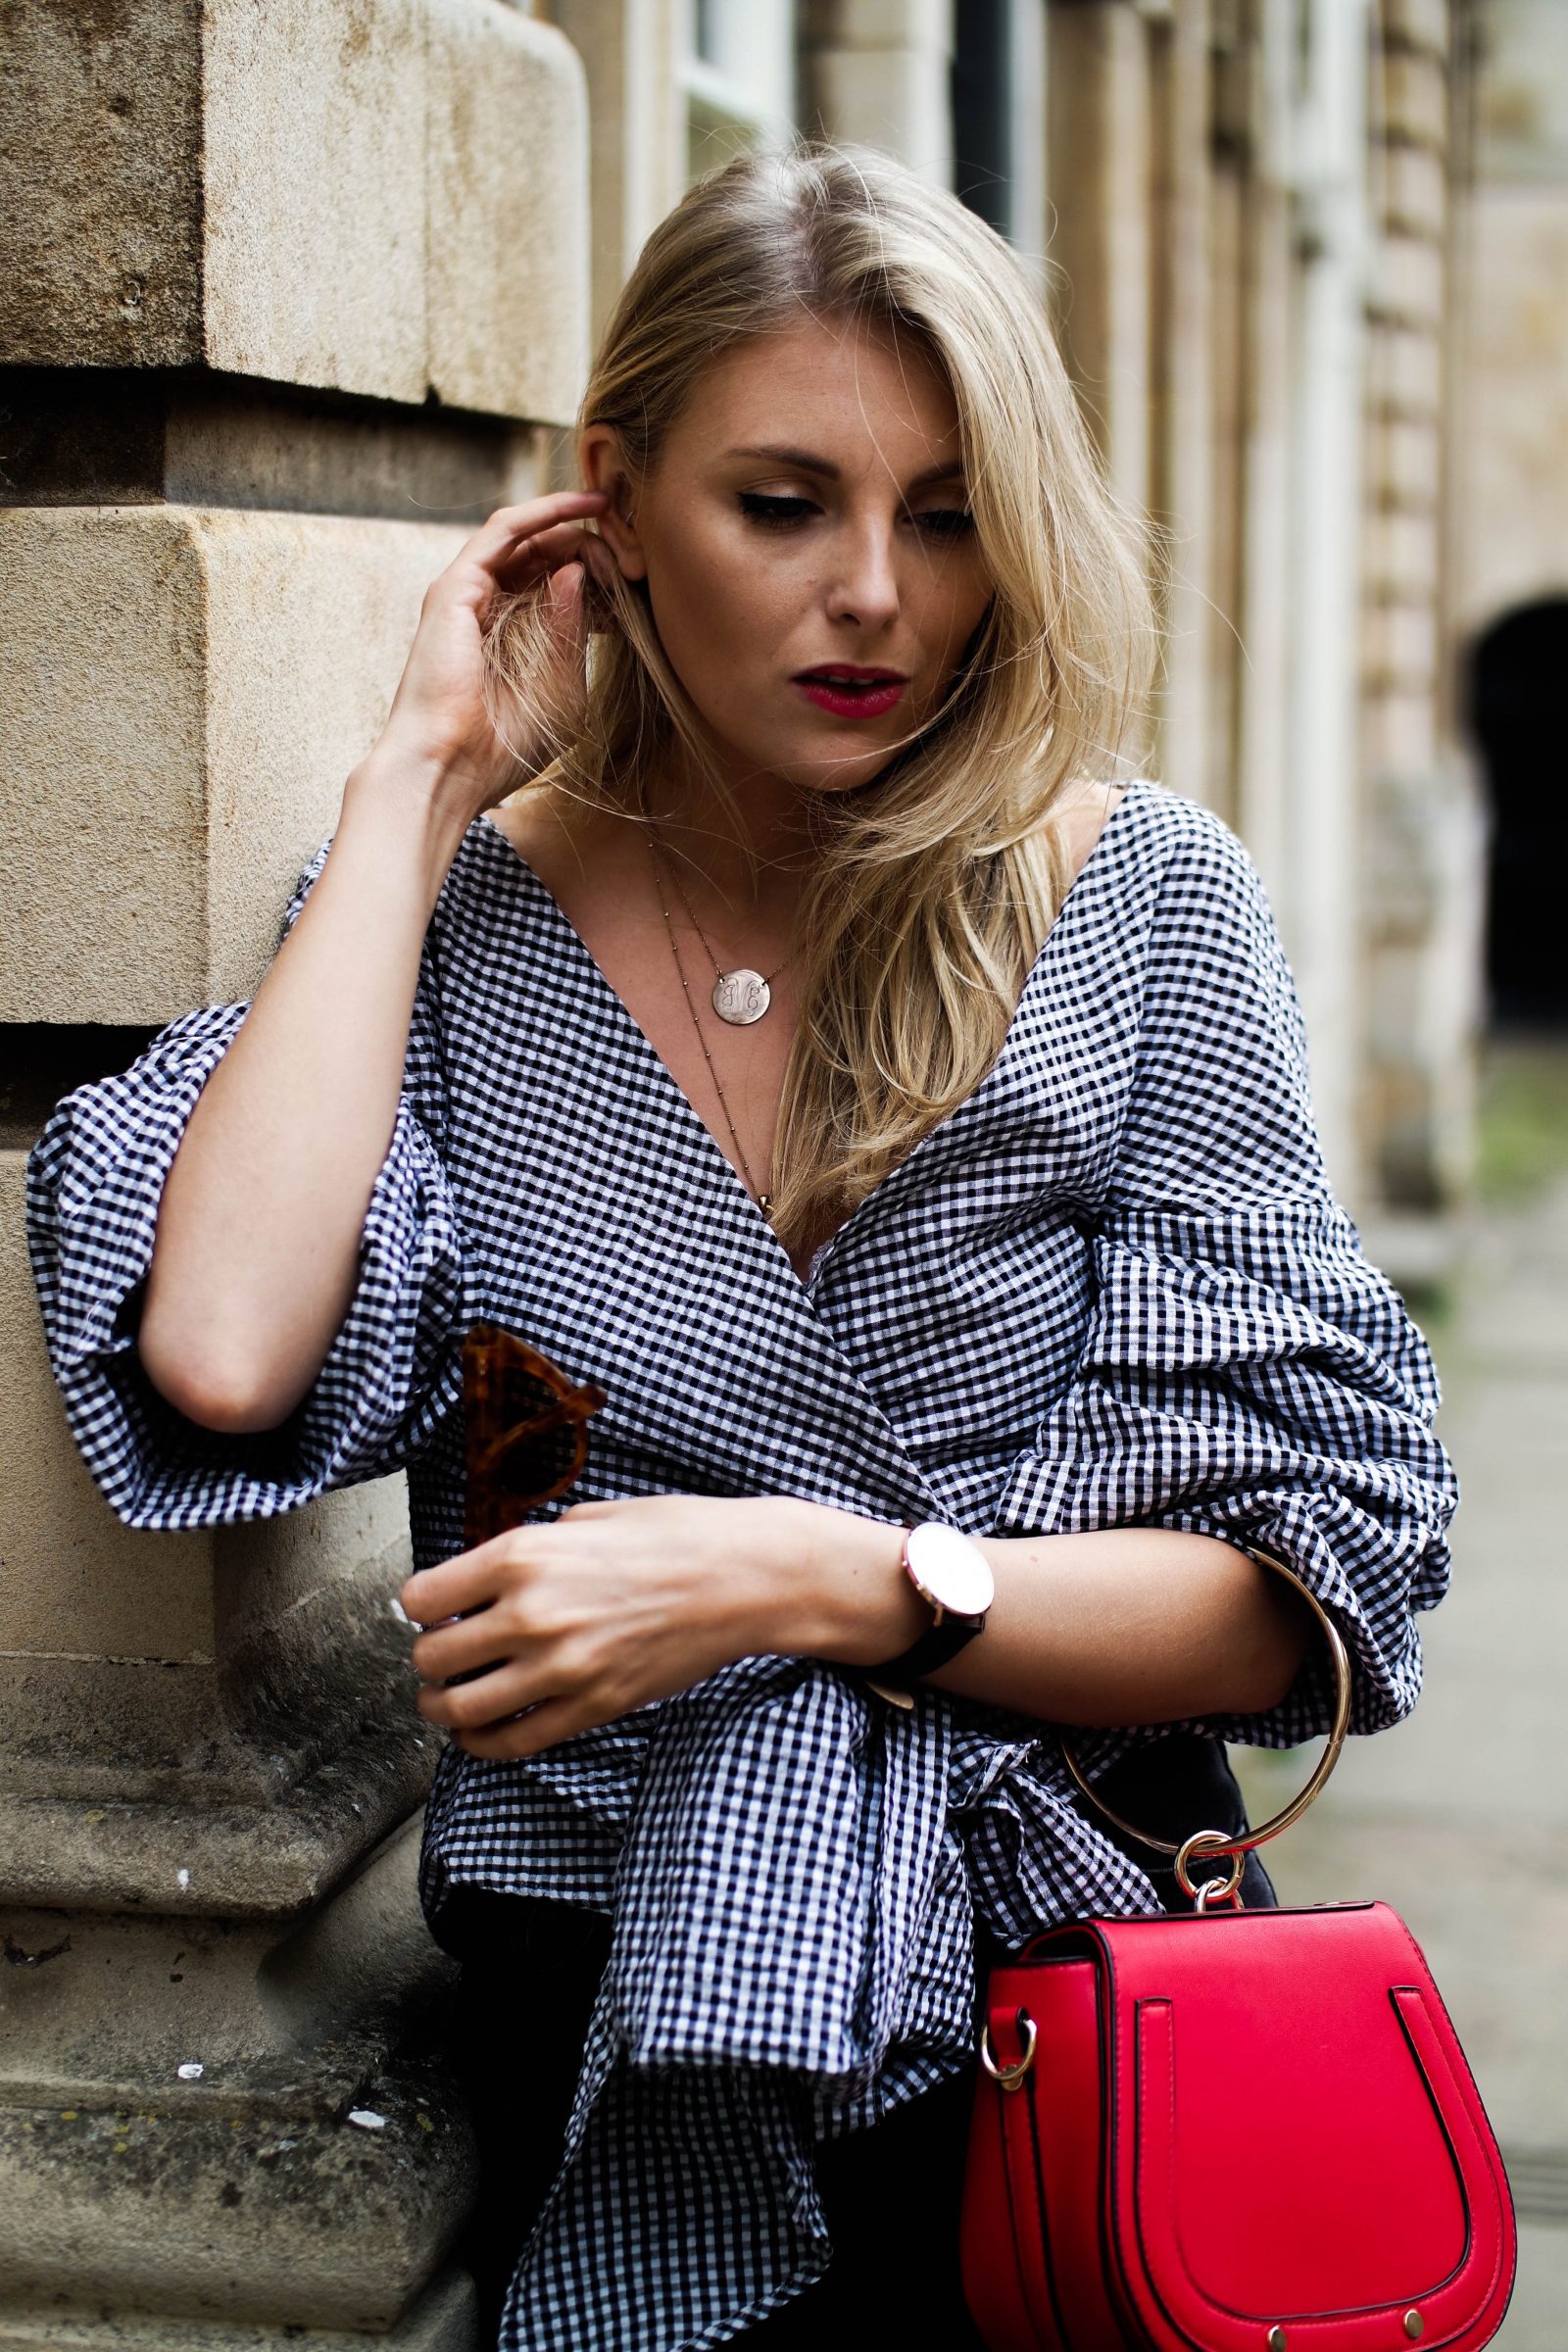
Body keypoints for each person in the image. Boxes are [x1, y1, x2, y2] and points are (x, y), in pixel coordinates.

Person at [25, 143, 1456, 2350]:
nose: (873, 591)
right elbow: (219, 1349)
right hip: (613, 2010)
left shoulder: (1143, 899)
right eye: (779, 504)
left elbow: (1299, 1602)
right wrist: (414, 788)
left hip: (1065, 2012)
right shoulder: (450, 930)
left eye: (951, 510)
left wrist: (804, 1581)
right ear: (610, 498)